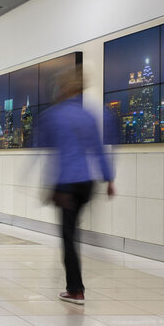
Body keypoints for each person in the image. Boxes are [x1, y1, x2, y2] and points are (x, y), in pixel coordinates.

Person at [37, 70, 115, 305]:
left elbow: (53, 154)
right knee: (73, 232)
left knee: (68, 236)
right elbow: (99, 149)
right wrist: (109, 179)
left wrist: (50, 187)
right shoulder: (89, 116)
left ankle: (75, 289)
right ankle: (74, 284)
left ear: (63, 89)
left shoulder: (54, 115)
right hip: (87, 183)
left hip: (66, 184)